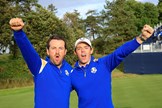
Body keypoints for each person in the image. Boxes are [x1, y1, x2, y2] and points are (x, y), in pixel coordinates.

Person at [70, 24, 154, 108]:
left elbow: (120, 52)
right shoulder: (71, 74)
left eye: (86, 47)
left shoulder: (103, 64)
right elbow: (60, 92)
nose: (83, 51)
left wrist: (141, 38)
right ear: (75, 52)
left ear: (91, 50)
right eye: (79, 48)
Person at [9, 18, 72, 108]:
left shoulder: (71, 71)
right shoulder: (40, 66)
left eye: (60, 48)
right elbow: (27, 50)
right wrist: (18, 33)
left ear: (65, 51)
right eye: (53, 48)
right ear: (47, 51)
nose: (57, 52)